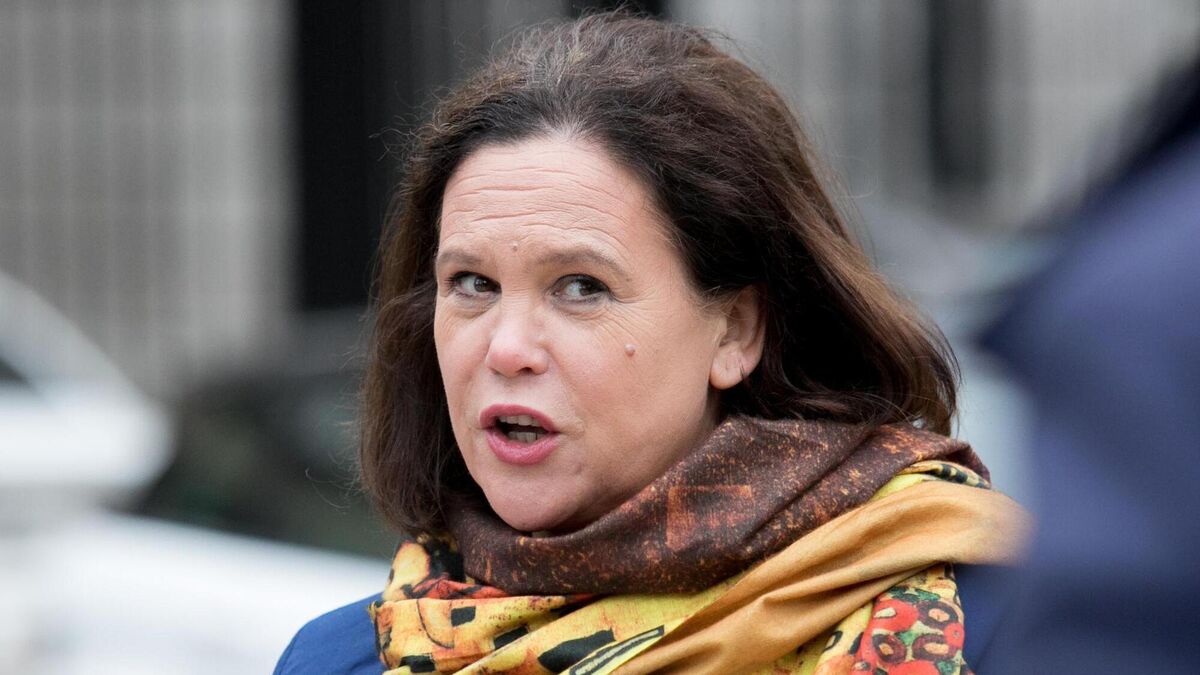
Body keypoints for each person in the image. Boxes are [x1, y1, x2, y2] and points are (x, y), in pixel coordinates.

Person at [275, 13, 1027, 675]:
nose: (506, 348)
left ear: (736, 330)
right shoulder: (349, 657)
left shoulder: (995, 628)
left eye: (581, 287)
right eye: (472, 283)